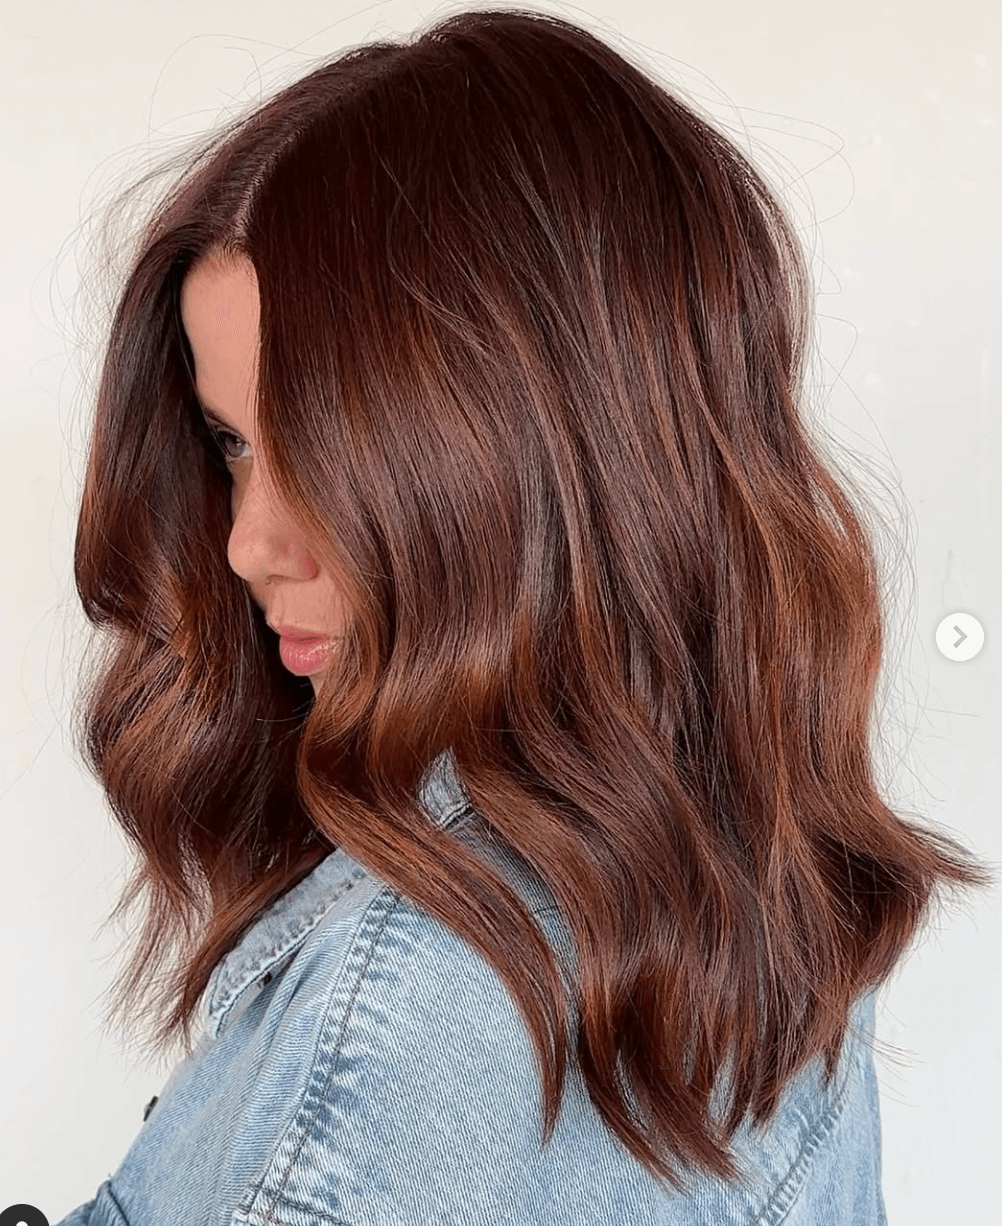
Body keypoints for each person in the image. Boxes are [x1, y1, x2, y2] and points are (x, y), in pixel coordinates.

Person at [55, 8, 994, 1224]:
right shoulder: (711, 875)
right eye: (232, 444)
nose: (246, 543)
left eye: (326, 451)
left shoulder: (443, 1008)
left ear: (556, 456)